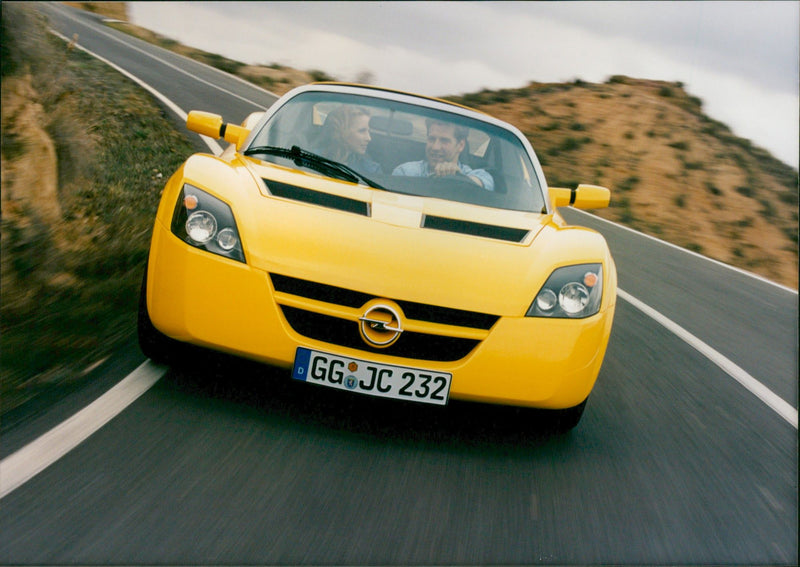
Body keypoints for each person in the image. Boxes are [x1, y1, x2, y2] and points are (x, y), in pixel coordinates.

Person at [392, 119, 493, 190]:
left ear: (461, 145)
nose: (435, 147)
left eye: (444, 141)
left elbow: (485, 183)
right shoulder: (406, 172)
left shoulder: (477, 175)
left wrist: (457, 178)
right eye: (431, 139)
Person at [314, 105, 382, 175]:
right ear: (342, 132)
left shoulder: (371, 170)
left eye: (368, 131)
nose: (369, 138)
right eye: (362, 131)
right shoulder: (311, 160)